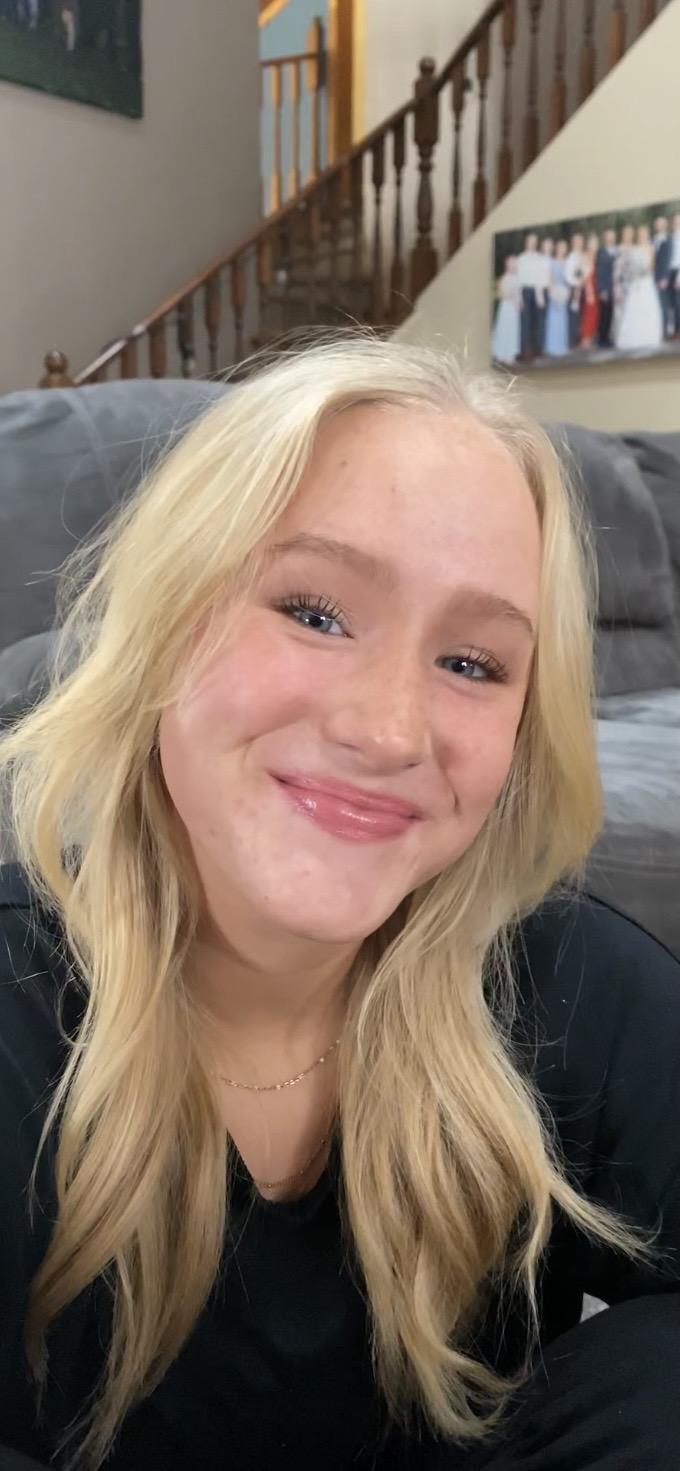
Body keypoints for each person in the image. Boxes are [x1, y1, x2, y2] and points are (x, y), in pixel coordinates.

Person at [0, 336, 679, 1471]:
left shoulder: (556, 982)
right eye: (314, 612)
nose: (387, 730)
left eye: (472, 664)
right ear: (163, 624)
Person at [615, 222, 664, 352]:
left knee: (647, 307)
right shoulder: (634, 248)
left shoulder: (651, 247)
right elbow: (627, 265)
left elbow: (652, 265)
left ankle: (647, 336)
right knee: (633, 307)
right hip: (635, 282)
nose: (642, 235)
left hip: (646, 280)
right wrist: (633, 272)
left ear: (647, 234)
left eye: (644, 233)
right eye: (640, 233)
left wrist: (644, 270)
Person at [515, 232, 543, 360]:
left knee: (535, 321)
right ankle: (524, 351)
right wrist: (519, 298)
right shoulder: (521, 258)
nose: (532, 244)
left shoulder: (538, 257)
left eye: (534, 242)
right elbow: (518, 279)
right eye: (530, 242)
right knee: (525, 322)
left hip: (535, 291)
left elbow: (539, 278)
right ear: (526, 243)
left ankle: (535, 349)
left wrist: (540, 297)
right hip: (524, 291)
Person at [491, 256, 521, 365]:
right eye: (511, 263)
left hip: (515, 308)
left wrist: (519, 302)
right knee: (504, 329)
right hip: (507, 307)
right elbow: (503, 294)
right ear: (507, 265)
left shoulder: (517, 277)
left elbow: (519, 292)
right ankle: (501, 355)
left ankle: (510, 355)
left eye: (514, 263)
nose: (513, 265)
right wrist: (514, 301)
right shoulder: (504, 278)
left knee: (513, 330)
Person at [543, 239, 570, 357]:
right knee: (553, 319)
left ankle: (561, 346)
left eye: (564, 248)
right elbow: (549, 279)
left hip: (564, 293)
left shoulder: (568, 263)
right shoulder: (552, 262)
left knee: (562, 320)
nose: (562, 250)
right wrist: (552, 292)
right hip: (554, 293)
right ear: (557, 248)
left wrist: (567, 292)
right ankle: (552, 347)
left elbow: (570, 279)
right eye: (560, 247)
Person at [595, 227, 619, 348]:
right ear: (605, 238)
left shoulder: (617, 251)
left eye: (612, 236)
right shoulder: (601, 252)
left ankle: (608, 338)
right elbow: (599, 272)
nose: (610, 238)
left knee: (611, 314)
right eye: (608, 236)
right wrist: (602, 290)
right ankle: (602, 340)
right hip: (606, 288)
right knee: (604, 315)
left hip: (616, 288)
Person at [564, 232, 587, 349]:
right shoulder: (571, 257)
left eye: (580, 241)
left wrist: (582, 281)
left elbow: (585, 270)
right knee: (572, 314)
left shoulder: (582, 256)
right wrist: (577, 285)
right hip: (573, 288)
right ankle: (571, 341)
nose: (579, 244)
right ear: (573, 243)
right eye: (577, 241)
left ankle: (578, 339)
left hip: (582, 287)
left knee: (580, 314)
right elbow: (569, 275)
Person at [579, 233, 600, 349]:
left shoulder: (597, 256)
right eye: (592, 243)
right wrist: (588, 290)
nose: (594, 245)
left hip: (597, 286)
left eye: (596, 243)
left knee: (596, 312)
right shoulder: (585, 256)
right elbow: (581, 274)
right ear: (588, 244)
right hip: (589, 287)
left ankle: (591, 337)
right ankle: (585, 339)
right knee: (588, 312)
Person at [653, 215, 672, 337]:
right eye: (656, 223)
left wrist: (664, 277)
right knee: (654, 303)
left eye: (660, 223)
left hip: (662, 278)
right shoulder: (651, 239)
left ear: (665, 225)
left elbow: (668, 260)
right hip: (651, 277)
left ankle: (664, 330)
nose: (658, 225)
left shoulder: (668, 240)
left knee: (663, 304)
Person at [669, 210, 680, 338]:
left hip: (678, 271)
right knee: (672, 302)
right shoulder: (670, 237)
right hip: (669, 272)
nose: (677, 223)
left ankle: (678, 330)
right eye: (675, 221)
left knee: (678, 302)